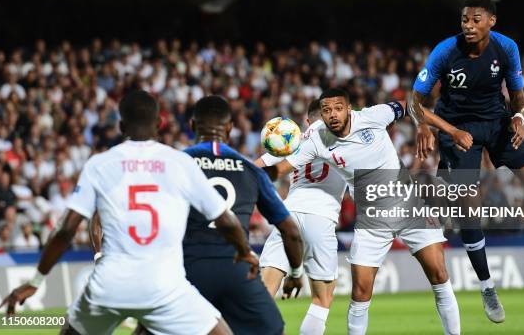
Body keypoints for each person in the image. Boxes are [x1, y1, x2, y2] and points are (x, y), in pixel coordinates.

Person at [0, 90, 257, 335]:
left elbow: (65, 230)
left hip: (109, 286)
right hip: (166, 287)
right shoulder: (181, 163)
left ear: (121, 127)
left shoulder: (99, 164)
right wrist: (245, 251)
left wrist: (35, 280)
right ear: (160, 123)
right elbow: (225, 220)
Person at [410, 0, 524, 323]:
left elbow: (519, 97)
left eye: (476, 19)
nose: (468, 25)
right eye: (464, 19)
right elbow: (414, 101)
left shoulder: (506, 48)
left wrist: (518, 116)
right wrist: (428, 126)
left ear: (491, 21)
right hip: (456, 131)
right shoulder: (445, 51)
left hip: (498, 124)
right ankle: (487, 287)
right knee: (468, 206)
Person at [268, 88, 460, 335]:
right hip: (372, 219)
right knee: (360, 292)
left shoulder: (373, 116)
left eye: (338, 108)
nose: (332, 115)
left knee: (439, 274)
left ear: (349, 109)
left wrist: (446, 129)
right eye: (326, 111)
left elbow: (411, 104)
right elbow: (281, 168)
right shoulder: (318, 140)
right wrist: (252, 174)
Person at [182, 95, 304, 335]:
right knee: (272, 329)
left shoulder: (177, 162)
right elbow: (291, 232)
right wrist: (296, 274)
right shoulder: (250, 169)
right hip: (237, 270)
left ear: (192, 125)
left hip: (186, 271)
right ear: (229, 128)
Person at [256, 99, 347, 335]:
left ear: (307, 122)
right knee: (322, 299)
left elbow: (254, 169)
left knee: (263, 295)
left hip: (287, 217)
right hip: (322, 217)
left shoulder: (294, 139)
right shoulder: (346, 135)